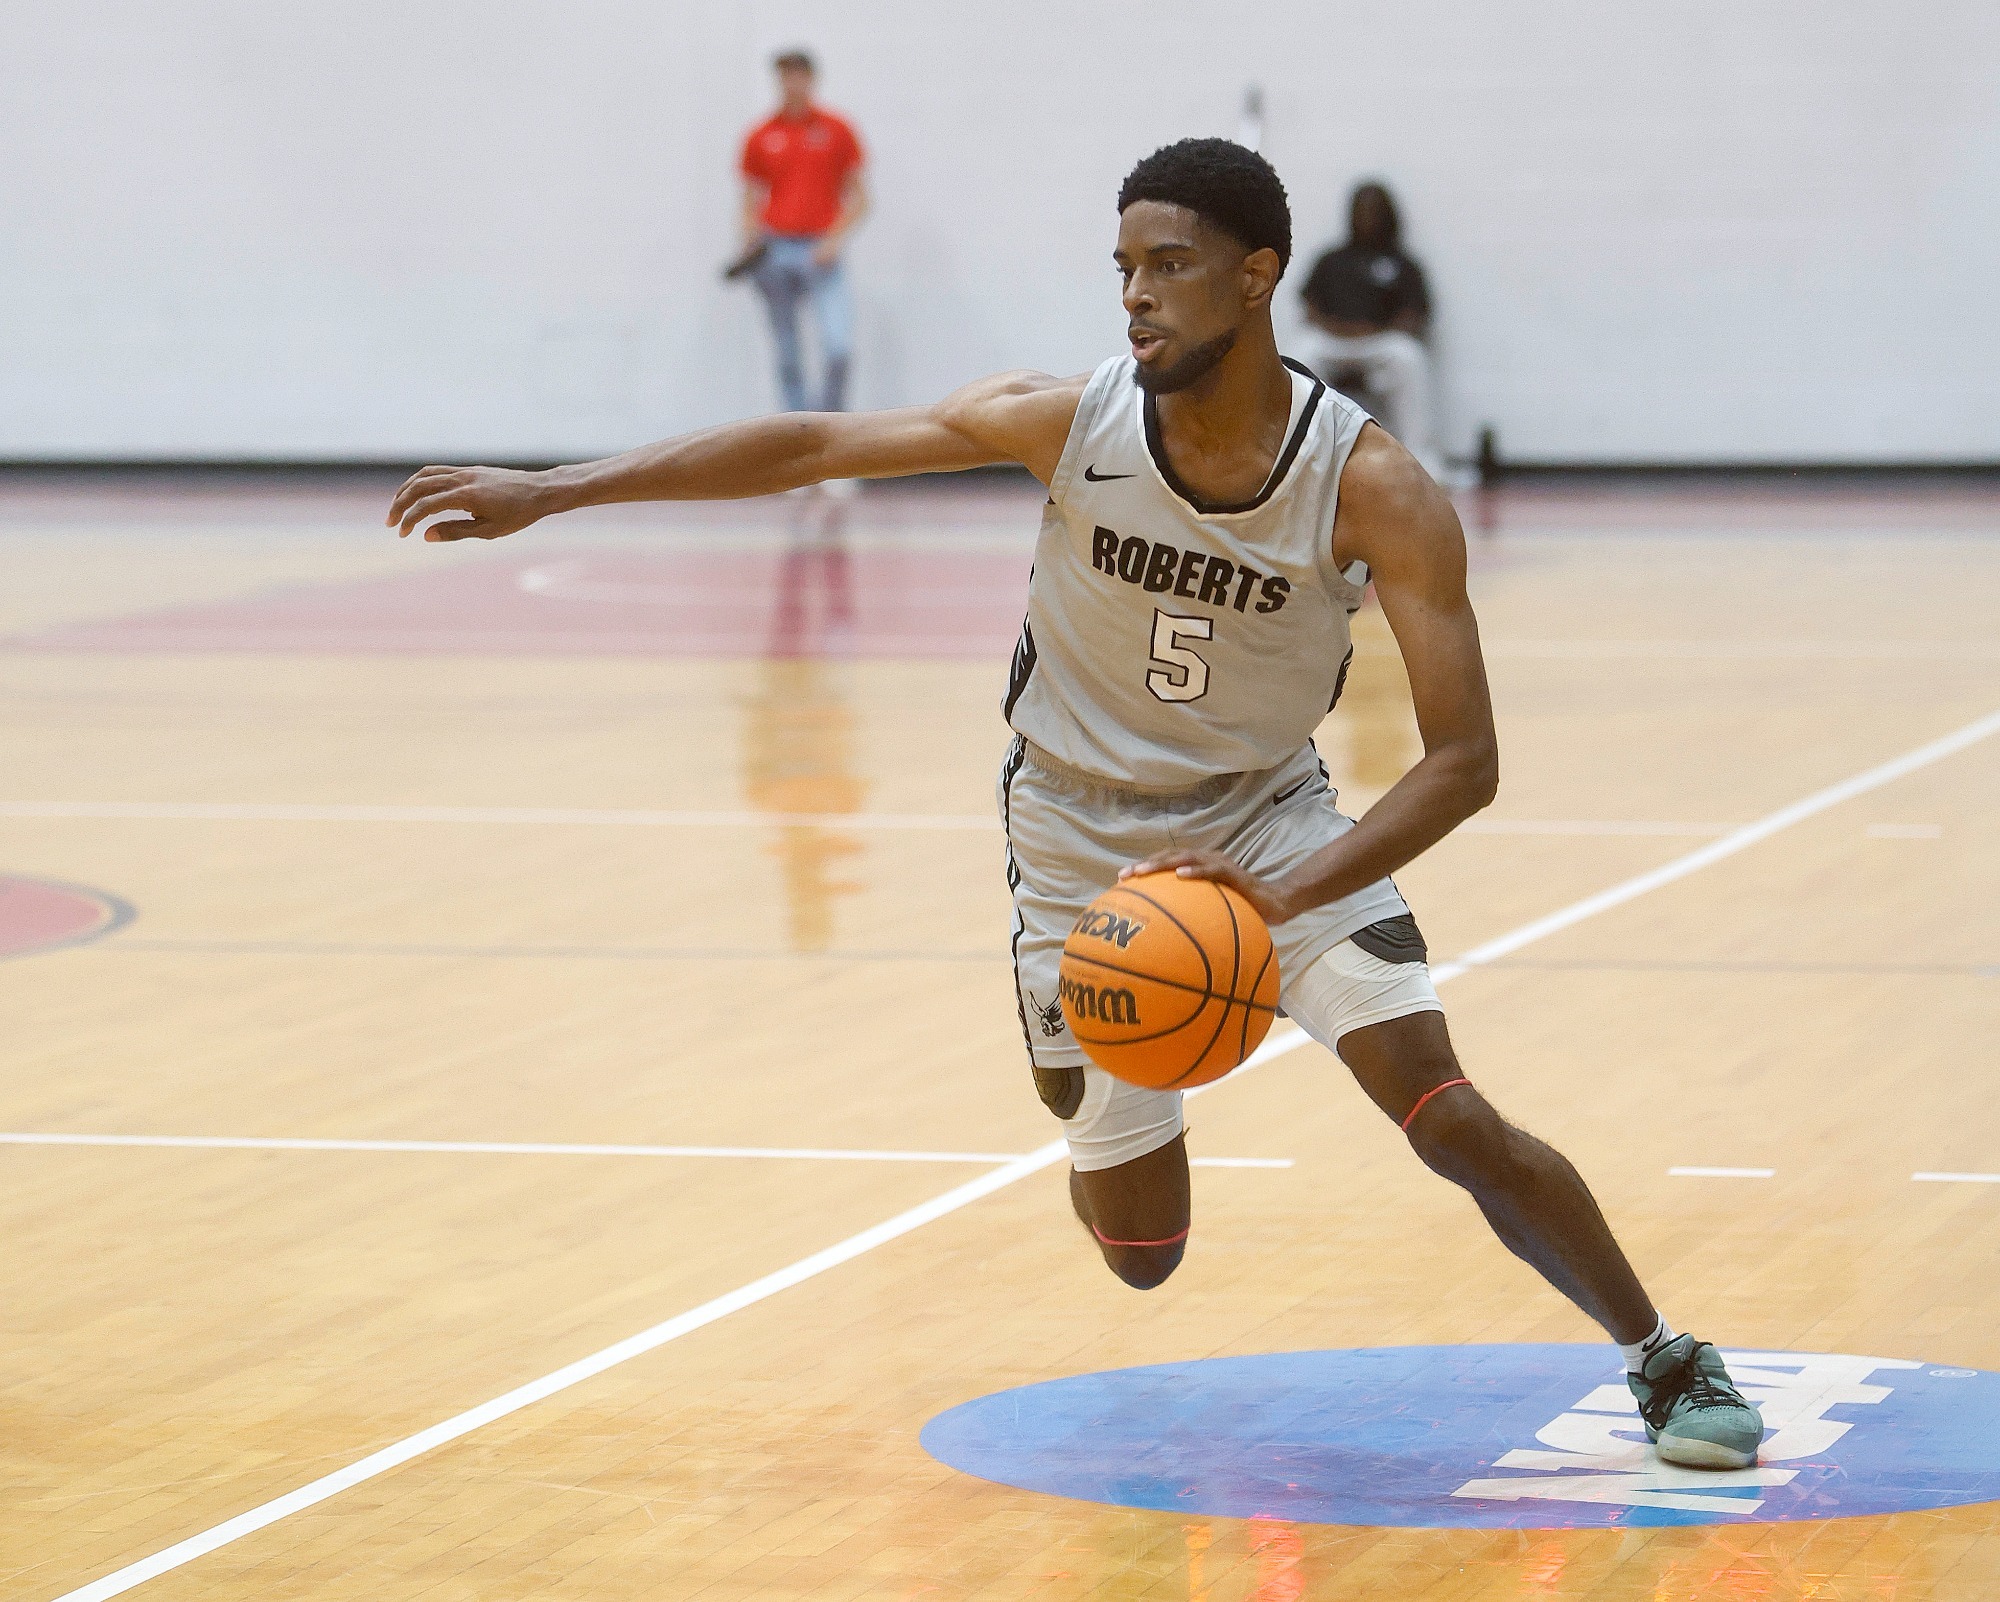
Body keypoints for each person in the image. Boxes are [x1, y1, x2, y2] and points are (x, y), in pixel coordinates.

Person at [387, 138, 1765, 1472]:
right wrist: (556, 486)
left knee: (1446, 1110)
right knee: (1144, 1256)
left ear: (1256, 276)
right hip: (1069, 828)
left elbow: (1464, 760)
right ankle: (1061, 1012)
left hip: (1269, 826)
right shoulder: (1067, 420)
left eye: (1170, 263)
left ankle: (1662, 1353)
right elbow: (808, 441)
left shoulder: (1374, 486)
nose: (1136, 293)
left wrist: (1276, 896)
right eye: (1122, 266)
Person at [735, 49, 868, 415]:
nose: (792, 84)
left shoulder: (836, 130)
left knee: (838, 345)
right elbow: (749, 197)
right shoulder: (762, 134)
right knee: (787, 350)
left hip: (820, 247)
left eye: (798, 76)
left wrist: (834, 239)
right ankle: (796, 432)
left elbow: (860, 198)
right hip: (776, 249)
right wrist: (749, 242)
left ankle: (832, 425)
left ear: (811, 78)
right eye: (785, 76)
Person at [1300, 181, 1445, 482]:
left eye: (1374, 210)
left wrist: (1372, 332)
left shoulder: (1404, 264)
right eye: (1361, 210)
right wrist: (1342, 330)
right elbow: (1310, 308)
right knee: (1301, 355)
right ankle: (1298, 454)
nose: (1367, 217)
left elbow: (1415, 316)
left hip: (1381, 345)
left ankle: (1424, 462)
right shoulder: (1331, 260)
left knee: (1408, 357)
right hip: (1333, 341)